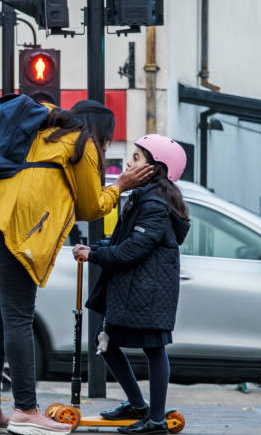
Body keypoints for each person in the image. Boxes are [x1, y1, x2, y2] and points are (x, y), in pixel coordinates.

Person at [0, 102, 153, 435]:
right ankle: (26, 411)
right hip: (9, 226)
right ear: (102, 132)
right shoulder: (81, 143)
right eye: (109, 139)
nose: (108, 145)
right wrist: (120, 186)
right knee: (17, 316)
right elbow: (90, 206)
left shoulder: (40, 134)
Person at [73, 134, 190, 435]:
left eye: (137, 158)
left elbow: (131, 251)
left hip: (148, 293)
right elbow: (124, 241)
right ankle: (139, 406)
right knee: (107, 341)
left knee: (153, 348)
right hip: (136, 289)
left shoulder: (155, 204)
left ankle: (156, 420)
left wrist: (95, 254)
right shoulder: (143, 198)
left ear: (155, 169)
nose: (129, 162)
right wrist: (94, 247)